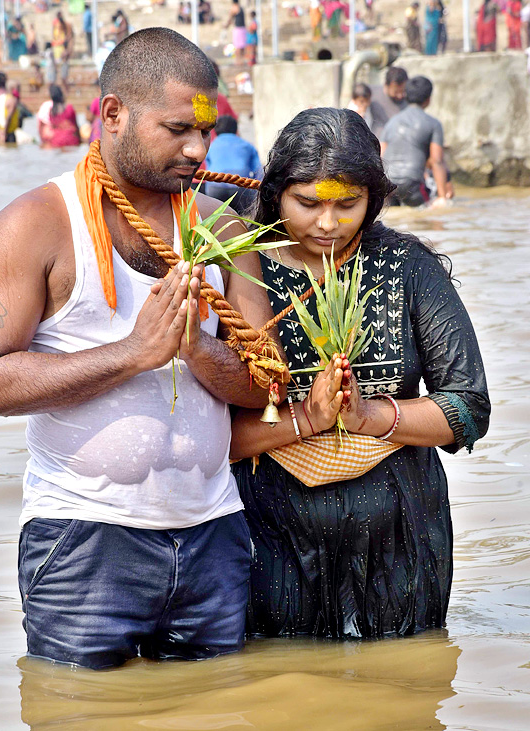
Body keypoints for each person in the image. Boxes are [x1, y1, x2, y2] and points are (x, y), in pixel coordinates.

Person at [0, 27, 280, 670]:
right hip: (82, 539)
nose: (196, 149)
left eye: (205, 132)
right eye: (176, 130)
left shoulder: (222, 230)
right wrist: (134, 352)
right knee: (80, 713)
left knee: (219, 711)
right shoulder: (36, 224)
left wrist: (195, 348)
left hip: (213, 534)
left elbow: (264, 384)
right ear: (113, 115)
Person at [230, 106, 490, 640]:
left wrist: (368, 414)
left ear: (374, 198)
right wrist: (309, 417)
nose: (327, 223)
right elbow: (203, 434)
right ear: (275, 192)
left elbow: (468, 408)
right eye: (306, 204)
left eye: (348, 205)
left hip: (402, 535)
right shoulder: (238, 270)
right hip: (269, 537)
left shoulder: (407, 266)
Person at [381, 75, 448, 207]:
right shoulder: (433, 124)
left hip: (387, 185)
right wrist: (442, 196)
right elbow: (437, 161)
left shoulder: (391, 122)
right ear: (428, 99)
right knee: (428, 219)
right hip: (412, 184)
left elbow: (381, 156)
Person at [204, 115, 262, 214]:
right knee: (245, 218)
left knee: (216, 218)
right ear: (236, 130)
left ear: (215, 131)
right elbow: (259, 172)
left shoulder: (211, 146)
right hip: (241, 189)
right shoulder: (247, 145)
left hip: (215, 189)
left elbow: (208, 167)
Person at [369, 66, 408, 139]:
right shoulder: (371, 94)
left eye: (403, 91)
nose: (400, 95)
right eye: (396, 92)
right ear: (386, 85)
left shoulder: (409, 99)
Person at [37, 84, 80, 148]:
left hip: (56, 142)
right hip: (72, 140)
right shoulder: (69, 108)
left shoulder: (51, 111)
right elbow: (76, 127)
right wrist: (80, 139)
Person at [0, 73, 19, 144]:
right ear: (12, 89)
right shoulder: (12, 100)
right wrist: (4, 133)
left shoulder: (1, 98)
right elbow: (8, 118)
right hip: (8, 132)